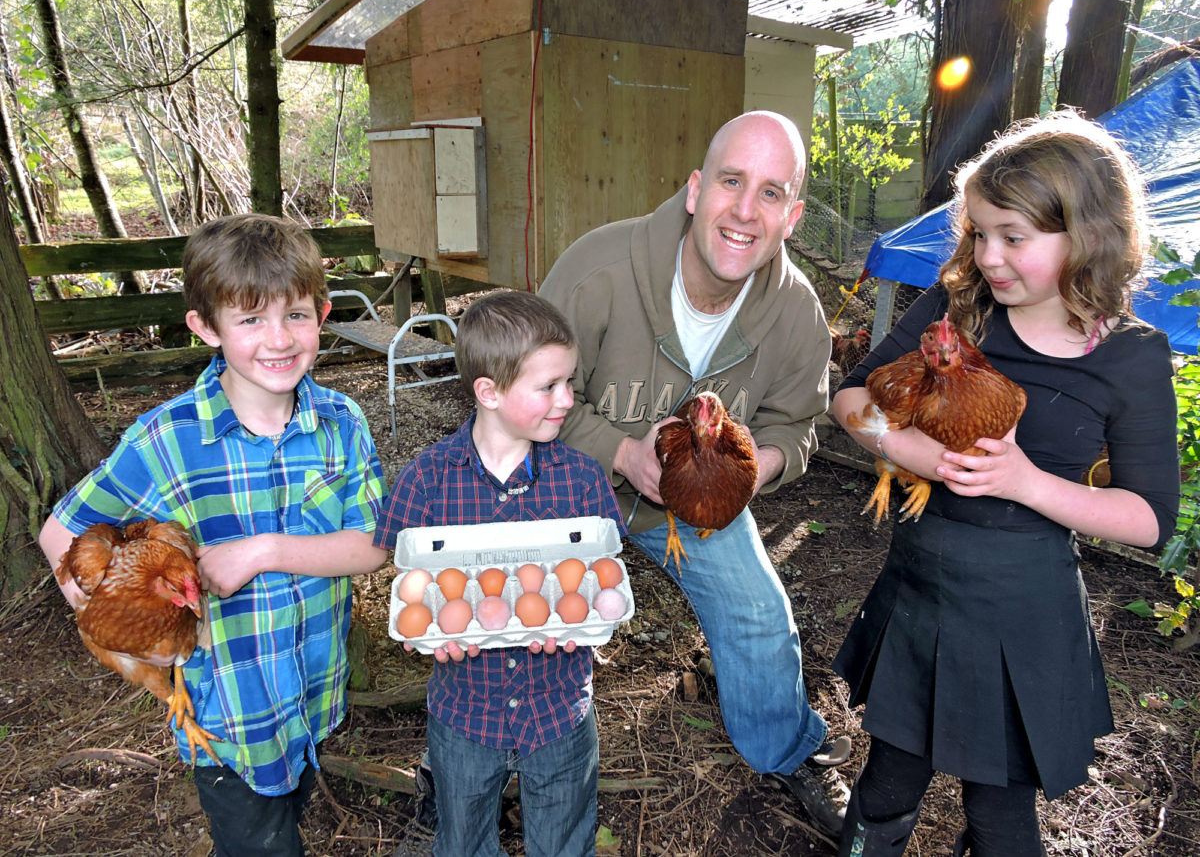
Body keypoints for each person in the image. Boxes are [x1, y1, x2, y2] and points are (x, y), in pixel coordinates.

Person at [830, 112, 1180, 856]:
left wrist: (1024, 482)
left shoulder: (1132, 359)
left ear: (1087, 233)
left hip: (1026, 611)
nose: (988, 256)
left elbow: (1149, 519)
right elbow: (851, 397)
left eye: (1013, 237)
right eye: (979, 233)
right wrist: (913, 452)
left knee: (1001, 814)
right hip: (921, 589)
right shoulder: (957, 313)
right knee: (889, 779)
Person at [539, 110, 852, 834]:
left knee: (760, 616)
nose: (745, 210)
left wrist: (749, 471)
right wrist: (621, 453)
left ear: (793, 216)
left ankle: (788, 749)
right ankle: (472, 755)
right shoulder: (598, 272)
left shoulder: (798, 314)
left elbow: (798, 424)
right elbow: (525, 392)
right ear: (693, 189)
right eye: (731, 181)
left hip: (693, 506)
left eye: (771, 193)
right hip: (568, 485)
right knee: (521, 616)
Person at [39, 214, 388, 857]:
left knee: (293, 803)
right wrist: (122, 628)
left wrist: (262, 552)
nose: (278, 339)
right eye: (250, 320)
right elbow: (60, 531)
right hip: (228, 716)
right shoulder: (166, 439)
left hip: (314, 691)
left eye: (297, 315)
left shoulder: (343, 424)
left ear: (324, 314)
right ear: (205, 327)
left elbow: (373, 544)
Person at [374, 291, 626, 857]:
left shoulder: (582, 481)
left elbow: (604, 576)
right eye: (548, 387)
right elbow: (412, 581)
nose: (566, 399)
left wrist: (580, 614)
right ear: (487, 391)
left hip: (559, 708)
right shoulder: (429, 480)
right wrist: (434, 630)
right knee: (462, 842)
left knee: (564, 842)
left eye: (569, 381)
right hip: (466, 712)